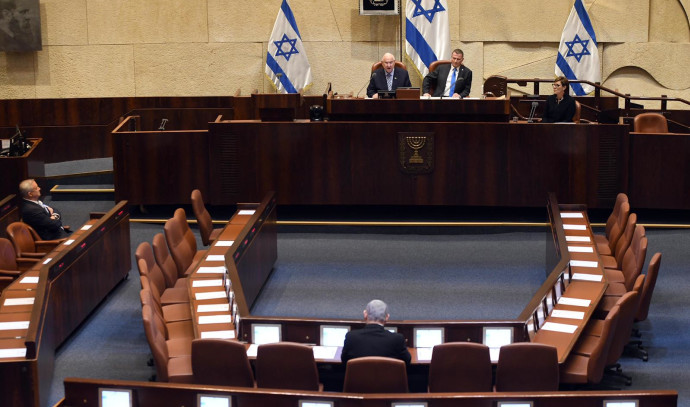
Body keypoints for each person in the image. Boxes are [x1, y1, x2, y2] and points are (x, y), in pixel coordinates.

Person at [341, 299, 411, 365]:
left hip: (358, 374)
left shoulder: (351, 337)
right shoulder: (397, 339)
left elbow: (344, 360)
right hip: (386, 374)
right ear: (387, 317)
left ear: (365, 314)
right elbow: (407, 361)